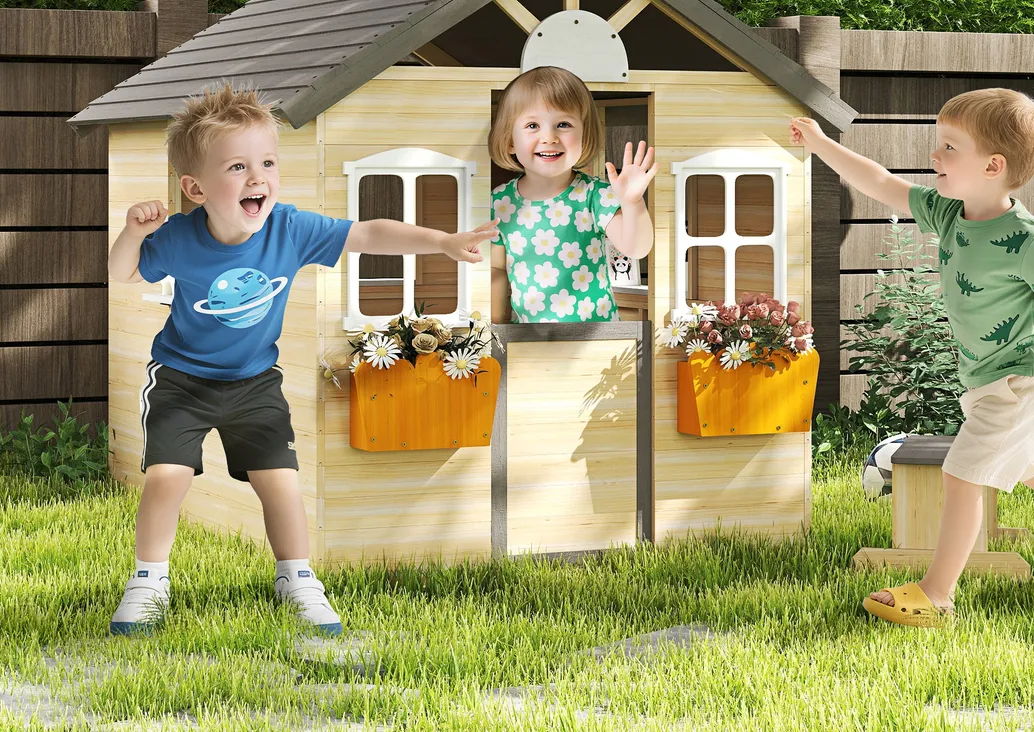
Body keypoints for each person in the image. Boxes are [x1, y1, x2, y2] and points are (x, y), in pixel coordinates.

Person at [107, 84, 497, 636]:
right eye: (237, 167)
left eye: (266, 162)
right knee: (167, 475)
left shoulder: (290, 228)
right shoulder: (176, 238)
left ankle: (297, 578)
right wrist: (132, 232)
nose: (257, 177)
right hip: (181, 379)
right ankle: (148, 582)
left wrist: (442, 241)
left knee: (281, 482)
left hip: (254, 382)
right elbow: (120, 272)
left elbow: (368, 233)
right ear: (195, 188)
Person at [791, 88, 1034, 627]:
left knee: (962, 475)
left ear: (992, 166)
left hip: (1020, 380)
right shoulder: (951, 213)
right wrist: (821, 144)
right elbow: (881, 182)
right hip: (990, 379)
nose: (935, 157)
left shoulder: (1024, 239)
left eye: (949, 147)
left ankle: (937, 594)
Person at [488, 66, 656, 324]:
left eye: (563, 124)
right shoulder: (500, 203)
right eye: (532, 125)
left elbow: (636, 247)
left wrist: (633, 203)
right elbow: (497, 270)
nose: (549, 137)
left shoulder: (595, 195)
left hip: (598, 344)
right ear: (510, 140)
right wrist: (496, 334)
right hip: (528, 344)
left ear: (584, 135)